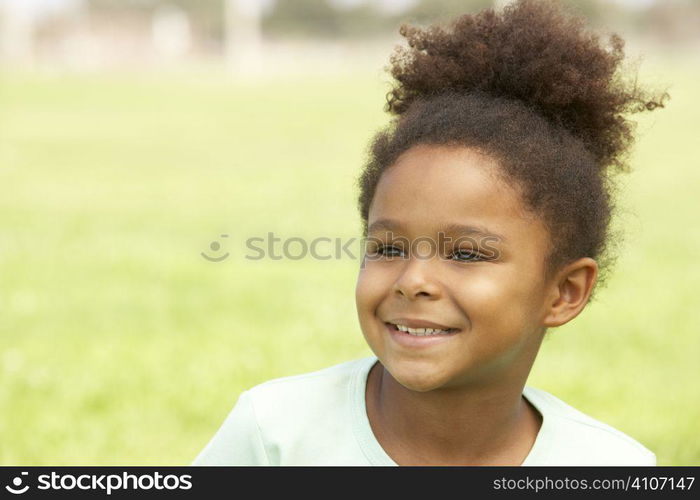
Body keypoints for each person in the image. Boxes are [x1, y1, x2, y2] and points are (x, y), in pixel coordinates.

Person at [192, 0, 667, 466]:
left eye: (465, 254)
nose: (411, 280)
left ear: (564, 292)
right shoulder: (274, 434)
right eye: (389, 248)